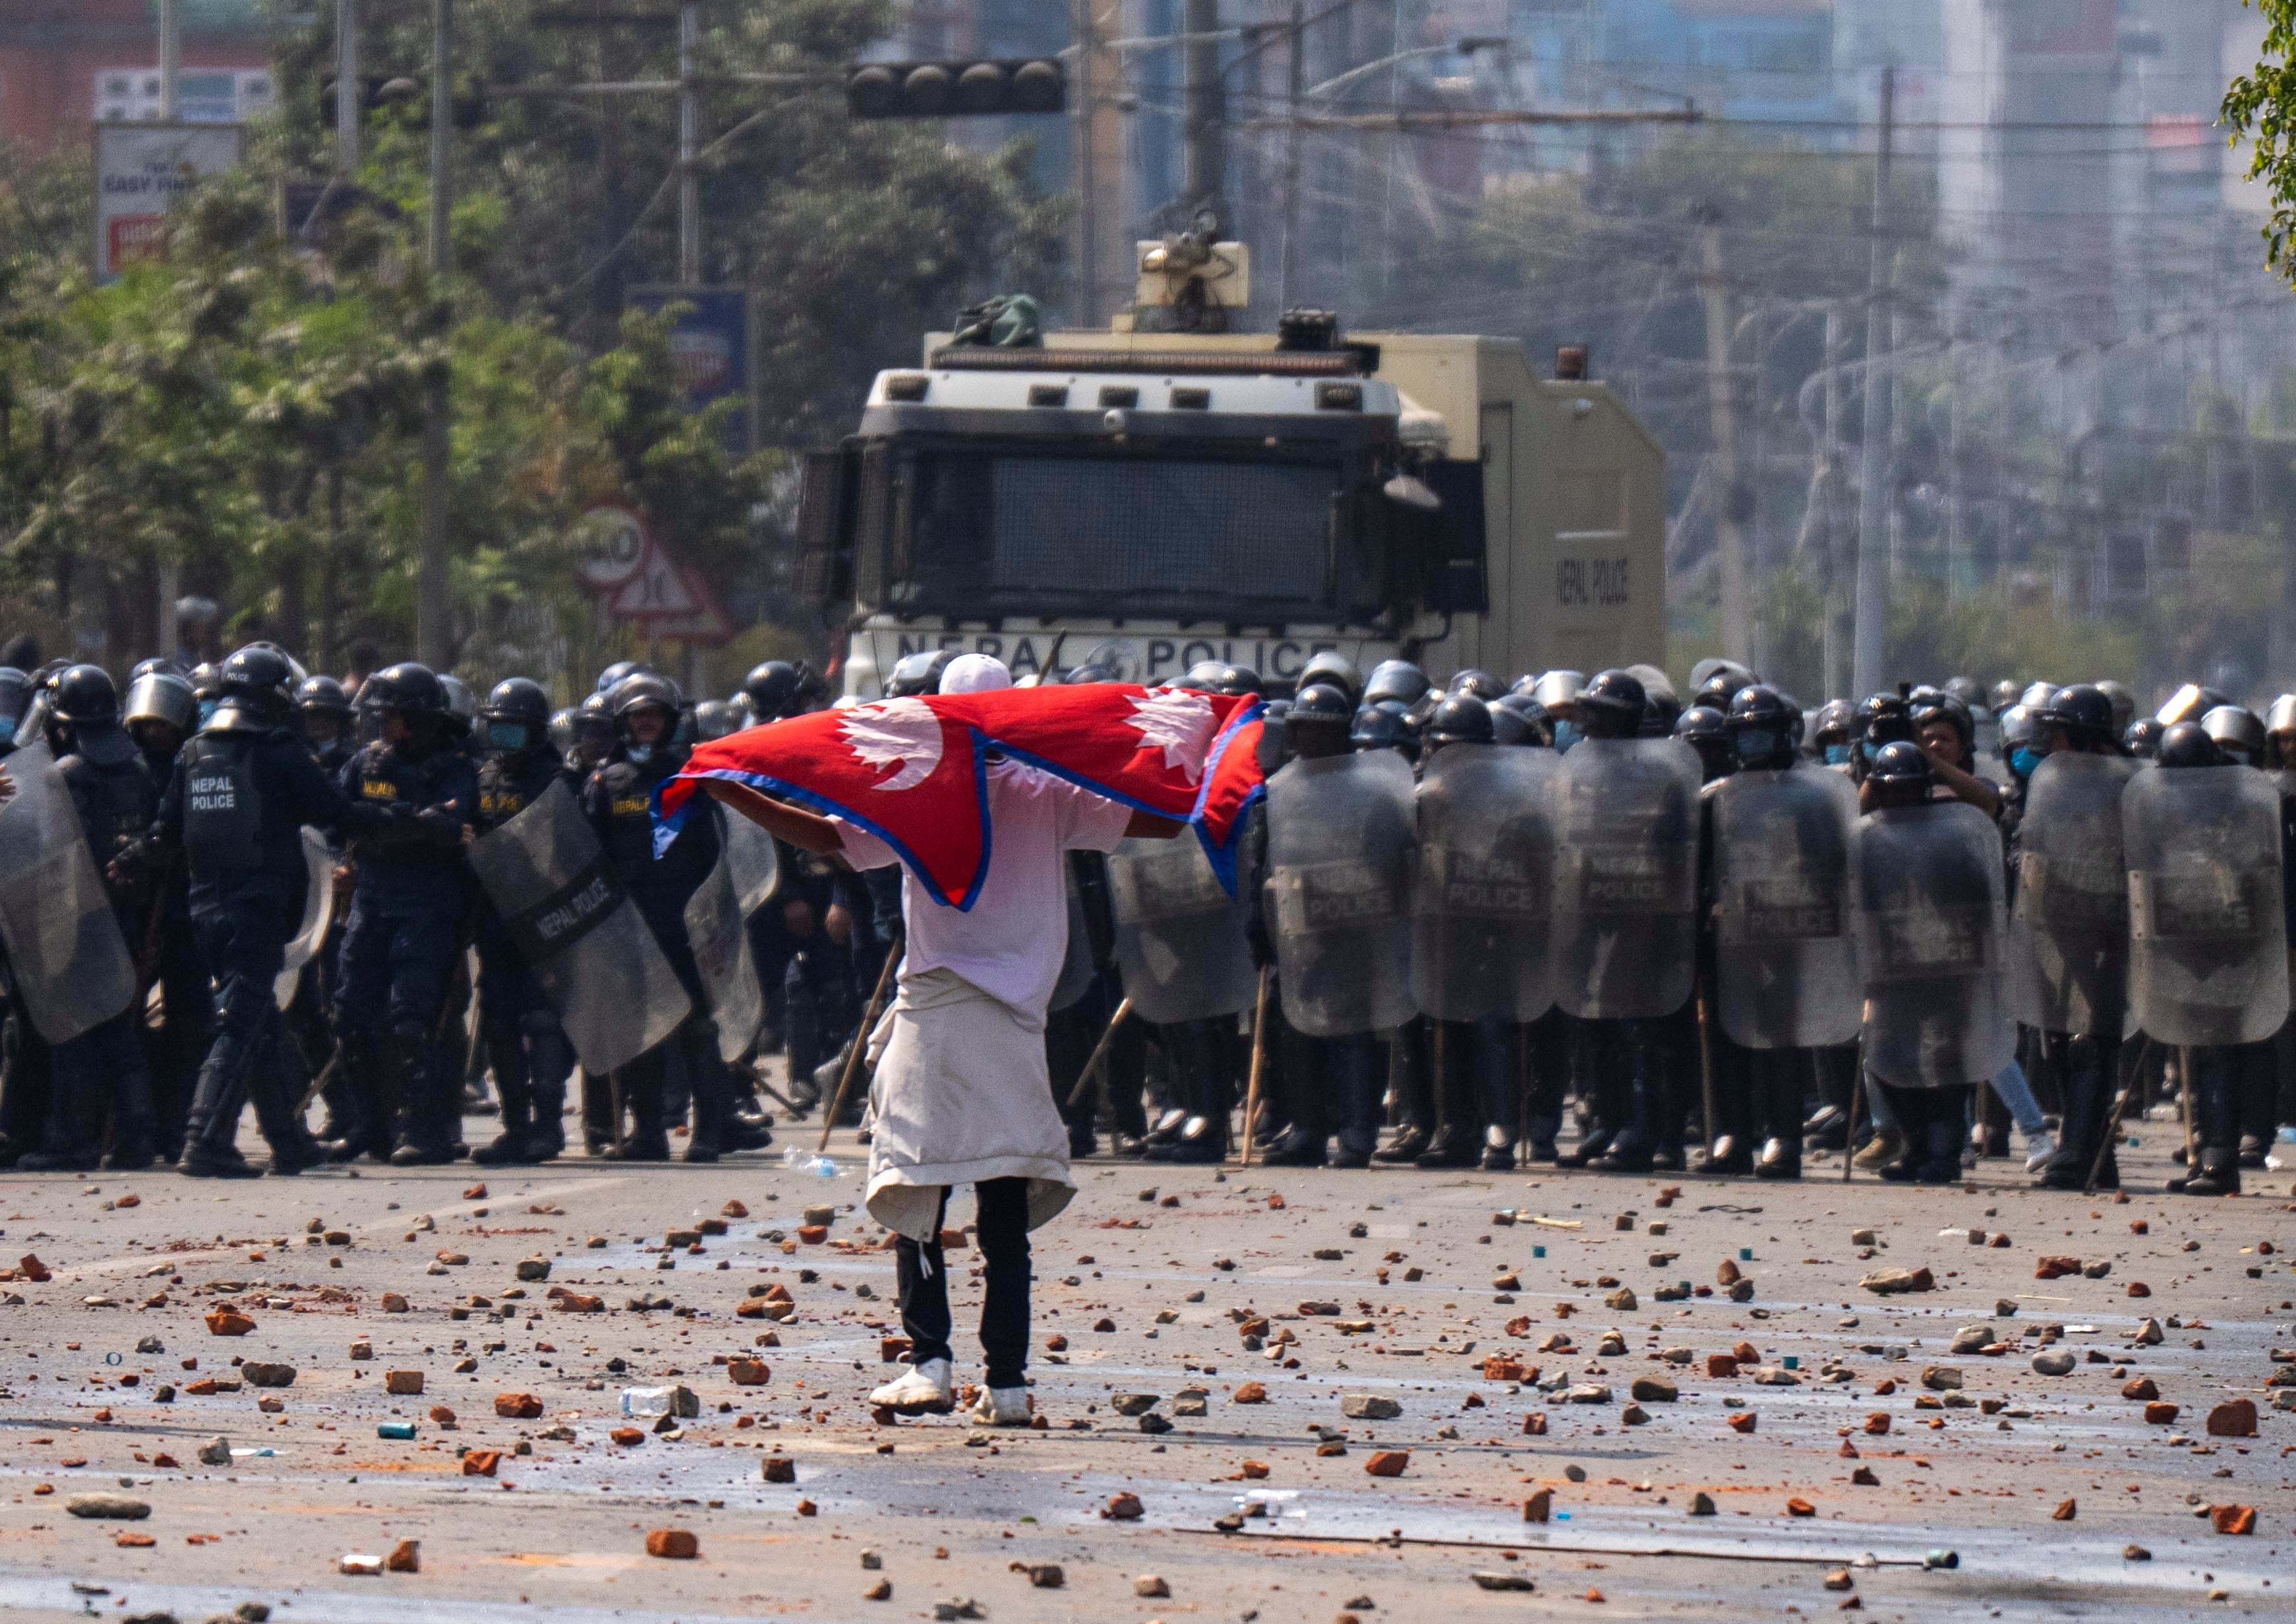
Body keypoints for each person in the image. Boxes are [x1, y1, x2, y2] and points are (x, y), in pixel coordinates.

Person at [701, 653, 1180, 1426]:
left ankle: (930, 1365)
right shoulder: (1049, 792)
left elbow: (825, 838)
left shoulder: (918, 791)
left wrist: (734, 791)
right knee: (1003, 1206)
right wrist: (1188, 768)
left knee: (918, 1196)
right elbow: (1158, 818)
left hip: (935, 1013)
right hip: (1018, 1023)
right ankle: (1011, 1384)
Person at [130, 645, 390, 1176]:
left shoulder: (194, 751)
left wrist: (128, 858)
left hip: (203, 910)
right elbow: (333, 811)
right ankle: (203, 1137)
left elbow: (164, 833)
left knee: (260, 1021)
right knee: (238, 1021)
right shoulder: (277, 749)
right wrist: (400, 817)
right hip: (255, 908)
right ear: (274, 698)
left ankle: (288, 1140)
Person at [583, 671, 737, 1161]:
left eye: (654, 716)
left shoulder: (692, 778)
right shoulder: (606, 783)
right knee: (642, 1031)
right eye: (637, 716)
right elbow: (592, 855)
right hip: (632, 926)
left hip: (686, 923)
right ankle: (647, 1133)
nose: (646, 724)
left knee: (696, 1030)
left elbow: (716, 853)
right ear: (623, 723)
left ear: (670, 721)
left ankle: (708, 1133)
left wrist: (714, 921)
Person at [332, 662, 477, 1164]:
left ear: (415, 719)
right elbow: (340, 816)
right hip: (370, 903)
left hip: (426, 907)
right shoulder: (366, 763)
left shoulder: (454, 767)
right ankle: (367, 1126)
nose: (380, 726)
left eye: (390, 716)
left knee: (413, 1022)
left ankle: (424, 1128)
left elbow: (451, 826)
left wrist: (388, 825)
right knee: (350, 1015)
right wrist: (409, 822)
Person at [22, 667, 161, 1170]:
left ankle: (72, 1139)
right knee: (120, 1028)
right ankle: (136, 1137)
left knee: (73, 1028)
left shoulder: (65, 777)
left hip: (72, 918)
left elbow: (42, 852)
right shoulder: (140, 772)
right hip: (125, 917)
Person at [468, 677, 577, 1164]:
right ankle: (515, 1125)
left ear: (534, 733)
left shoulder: (558, 780)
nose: (503, 744)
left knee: (544, 1019)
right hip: (496, 920)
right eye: (497, 732)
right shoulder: (484, 778)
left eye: (513, 733)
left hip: (547, 919)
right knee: (499, 1021)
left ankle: (547, 1125)